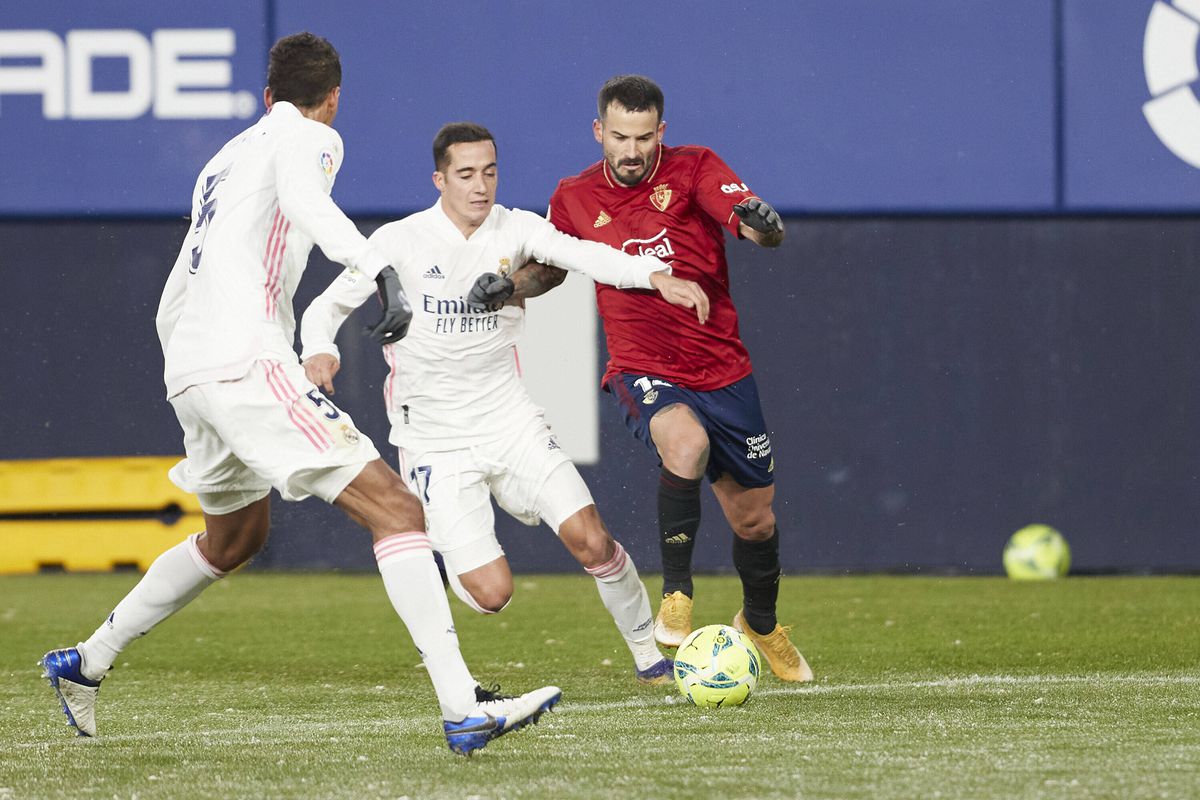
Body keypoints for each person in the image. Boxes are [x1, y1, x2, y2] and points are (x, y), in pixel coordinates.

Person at [39, 33, 559, 756]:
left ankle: (87, 663)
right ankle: (463, 708)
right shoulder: (313, 137)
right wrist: (376, 265)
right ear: (333, 100)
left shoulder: (222, 163)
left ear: (265, 96)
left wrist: (188, 368)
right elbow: (306, 199)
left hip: (192, 366)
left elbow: (182, 284)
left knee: (236, 538)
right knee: (398, 509)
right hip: (244, 362)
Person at [299, 122, 710, 686]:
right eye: (466, 174)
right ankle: (444, 545)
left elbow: (586, 253)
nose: (480, 185)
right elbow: (322, 310)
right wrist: (319, 351)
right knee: (492, 595)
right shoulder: (398, 241)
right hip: (435, 441)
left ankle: (652, 657)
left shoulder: (515, 228)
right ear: (439, 179)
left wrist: (652, 275)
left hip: (510, 420)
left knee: (591, 537)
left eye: (490, 172)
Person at [518, 74, 813, 682]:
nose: (631, 151)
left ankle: (759, 622)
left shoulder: (695, 167)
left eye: (644, 137)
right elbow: (551, 271)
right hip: (643, 364)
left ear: (662, 132)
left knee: (755, 519)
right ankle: (676, 594)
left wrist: (767, 225)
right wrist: (507, 288)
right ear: (599, 131)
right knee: (685, 444)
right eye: (619, 137)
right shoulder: (572, 197)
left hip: (722, 368)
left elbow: (757, 227)